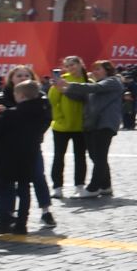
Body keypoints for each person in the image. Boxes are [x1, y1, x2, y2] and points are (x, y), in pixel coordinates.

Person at [0, 80, 53, 235]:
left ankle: (5, 220)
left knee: (1, 187)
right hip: (30, 154)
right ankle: (22, 223)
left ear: (21, 95)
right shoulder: (42, 110)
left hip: (9, 156)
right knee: (24, 189)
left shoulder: (12, 113)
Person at [59, 61, 125, 198]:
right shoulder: (96, 85)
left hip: (105, 123)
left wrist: (70, 85)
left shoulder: (112, 81)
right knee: (96, 156)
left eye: (98, 69)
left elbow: (95, 88)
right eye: (94, 69)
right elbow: (82, 97)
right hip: (93, 124)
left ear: (107, 70)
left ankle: (93, 188)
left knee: (99, 156)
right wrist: (64, 90)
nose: (94, 71)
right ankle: (106, 186)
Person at [47, 55, 89, 197]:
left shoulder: (87, 80)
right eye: (68, 65)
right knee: (58, 157)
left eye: (73, 64)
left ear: (80, 64)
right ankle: (57, 187)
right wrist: (59, 117)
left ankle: (79, 186)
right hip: (61, 127)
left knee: (80, 157)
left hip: (81, 126)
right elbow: (52, 101)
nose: (71, 68)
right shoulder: (62, 80)